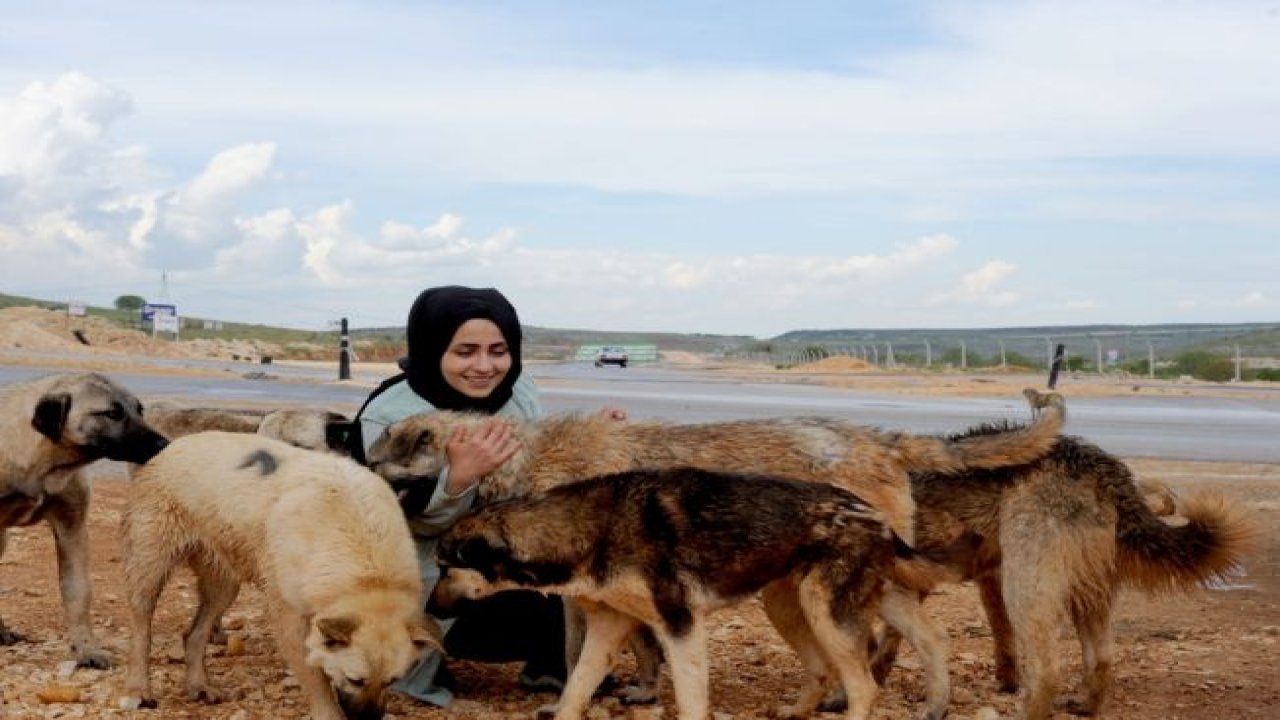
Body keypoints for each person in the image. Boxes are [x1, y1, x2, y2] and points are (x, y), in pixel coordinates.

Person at [351, 285, 621, 707]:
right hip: (422, 573)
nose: (484, 366)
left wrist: (595, 442)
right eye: (465, 351)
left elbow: (540, 470)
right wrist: (457, 480)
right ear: (432, 347)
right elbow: (384, 526)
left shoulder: (520, 393)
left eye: (498, 351)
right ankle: (420, 656)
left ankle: (550, 665)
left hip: (496, 552)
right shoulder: (388, 418)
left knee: (586, 579)